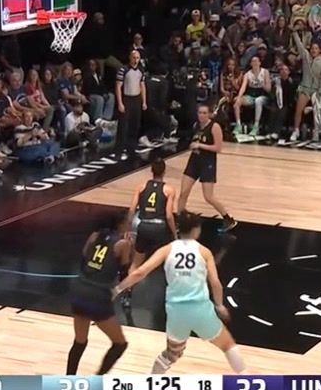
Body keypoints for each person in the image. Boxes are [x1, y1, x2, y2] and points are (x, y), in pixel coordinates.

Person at [112, 212, 246, 375]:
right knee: (227, 345)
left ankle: (152, 383)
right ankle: (247, 380)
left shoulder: (166, 250)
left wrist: (117, 289)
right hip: (201, 309)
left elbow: (140, 272)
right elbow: (215, 283)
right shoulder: (204, 252)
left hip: (176, 312)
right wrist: (219, 305)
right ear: (196, 230)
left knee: (171, 354)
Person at [66, 215, 132, 375]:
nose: (130, 224)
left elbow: (83, 260)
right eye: (128, 222)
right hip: (97, 296)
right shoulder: (123, 243)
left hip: (79, 289)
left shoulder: (94, 236)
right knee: (120, 344)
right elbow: (124, 273)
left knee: (79, 342)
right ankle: (98, 379)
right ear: (121, 224)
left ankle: (69, 380)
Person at [177, 103, 237, 232]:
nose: (201, 115)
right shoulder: (196, 126)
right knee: (183, 193)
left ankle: (228, 219)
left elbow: (218, 148)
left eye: (204, 113)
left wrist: (200, 146)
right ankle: (180, 222)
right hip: (194, 161)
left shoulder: (214, 127)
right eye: (199, 113)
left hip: (207, 163)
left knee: (208, 197)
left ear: (209, 114)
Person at [128, 159, 177, 267]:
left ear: (151, 171)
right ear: (164, 172)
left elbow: (131, 210)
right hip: (160, 228)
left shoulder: (141, 187)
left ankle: (130, 277)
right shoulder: (169, 190)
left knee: (136, 263)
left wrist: (129, 229)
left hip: (143, 226)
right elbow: (169, 216)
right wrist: (174, 233)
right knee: (166, 262)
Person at [290, 34, 321, 141]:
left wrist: (320, 90)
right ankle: (296, 130)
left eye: (316, 48)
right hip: (305, 88)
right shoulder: (306, 56)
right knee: (298, 110)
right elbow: (299, 45)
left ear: (319, 50)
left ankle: (316, 132)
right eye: (312, 48)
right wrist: (295, 34)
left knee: (316, 110)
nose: (314, 50)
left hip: (316, 90)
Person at [116, 50, 148, 160]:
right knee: (123, 126)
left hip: (136, 99)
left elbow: (142, 86)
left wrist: (144, 101)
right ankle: (119, 151)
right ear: (130, 58)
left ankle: (131, 148)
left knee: (135, 125)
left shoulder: (141, 70)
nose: (136, 60)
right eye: (134, 57)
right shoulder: (123, 69)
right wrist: (120, 103)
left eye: (138, 58)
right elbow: (118, 87)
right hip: (127, 99)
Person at [233, 56, 272, 136]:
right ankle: (238, 125)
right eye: (253, 61)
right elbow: (243, 87)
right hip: (251, 95)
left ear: (260, 63)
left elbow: (269, 89)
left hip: (262, 95)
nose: (255, 63)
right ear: (250, 64)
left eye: (257, 61)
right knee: (236, 101)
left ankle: (256, 126)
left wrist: (262, 85)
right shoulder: (247, 74)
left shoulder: (265, 72)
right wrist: (239, 97)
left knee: (258, 101)